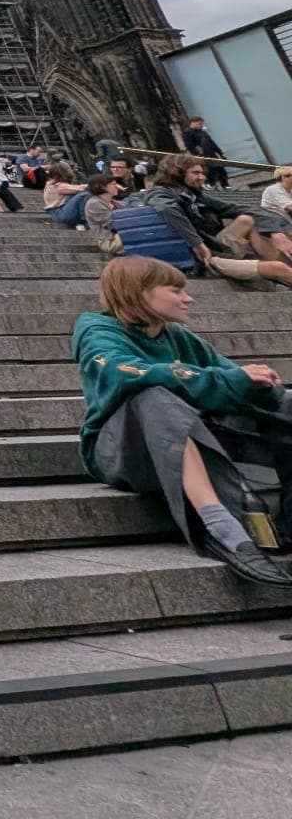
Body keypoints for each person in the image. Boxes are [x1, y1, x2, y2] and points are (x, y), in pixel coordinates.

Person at [74, 256, 292, 587]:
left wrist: (259, 384)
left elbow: (227, 376)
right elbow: (125, 372)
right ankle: (218, 525)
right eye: (176, 290)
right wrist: (226, 379)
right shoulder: (96, 332)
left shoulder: (178, 336)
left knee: (285, 401)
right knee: (153, 394)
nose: (187, 298)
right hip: (121, 451)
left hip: (189, 439)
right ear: (138, 292)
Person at [142, 156, 292, 287]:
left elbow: (240, 208)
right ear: (178, 173)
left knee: (246, 219)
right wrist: (197, 243)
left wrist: (276, 232)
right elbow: (166, 209)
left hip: (218, 247)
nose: (202, 177)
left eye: (202, 173)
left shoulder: (196, 195)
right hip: (206, 258)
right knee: (278, 268)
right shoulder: (160, 193)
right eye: (195, 173)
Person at [182, 116, 231, 189]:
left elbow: (211, 142)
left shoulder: (202, 132)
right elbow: (189, 146)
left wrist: (220, 152)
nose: (201, 125)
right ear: (193, 123)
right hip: (203, 157)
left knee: (221, 172)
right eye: (199, 124)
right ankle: (212, 189)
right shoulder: (188, 133)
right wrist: (197, 155)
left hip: (212, 154)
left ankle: (226, 187)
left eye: (201, 124)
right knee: (210, 174)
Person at [82, 174, 124, 255]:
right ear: (102, 187)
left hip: (120, 235)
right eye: (114, 184)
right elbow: (112, 223)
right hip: (109, 240)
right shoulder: (94, 204)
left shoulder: (113, 202)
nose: (117, 187)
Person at [43, 161, 90, 227]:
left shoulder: (54, 185)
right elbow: (82, 188)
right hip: (59, 213)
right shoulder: (57, 186)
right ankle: (86, 220)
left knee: (85, 194)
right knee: (85, 194)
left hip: (58, 213)